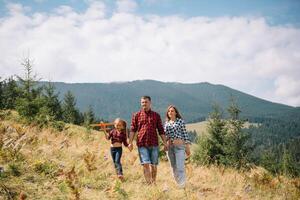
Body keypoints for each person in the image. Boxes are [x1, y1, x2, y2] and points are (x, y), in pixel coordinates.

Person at [128, 96, 168, 184]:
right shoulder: (136, 115)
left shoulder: (156, 115)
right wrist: (130, 142)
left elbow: (161, 130)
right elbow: (132, 129)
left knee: (153, 165)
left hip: (154, 144)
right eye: (142, 102)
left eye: (146, 102)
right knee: (145, 164)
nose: (144, 104)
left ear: (150, 103)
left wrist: (165, 143)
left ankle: (153, 182)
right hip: (142, 144)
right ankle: (149, 184)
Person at [164, 105, 191, 188]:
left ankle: (182, 184)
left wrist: (187, 147)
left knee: (180, 166)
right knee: (173, 166)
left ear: (176, 112)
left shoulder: (180, 121)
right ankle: (178, 183)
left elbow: (184, 134)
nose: (170, 112)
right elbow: (165, 135)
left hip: (179, 146)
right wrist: (165, 144)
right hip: (170, 147)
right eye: (169, 111)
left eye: (172, 111)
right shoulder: (166, 123)